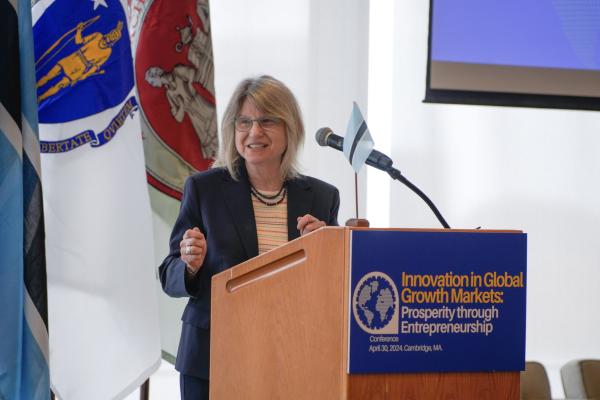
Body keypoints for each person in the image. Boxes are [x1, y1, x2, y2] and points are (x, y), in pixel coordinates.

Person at [158, 75, 340, 400]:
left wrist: (327, 250)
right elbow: (169, 274)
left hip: (290, 354)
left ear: (290, 128)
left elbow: (334, 286)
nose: (254, 132)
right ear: (233, 130)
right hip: (213, 356)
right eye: (244, 122)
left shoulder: (321, 197)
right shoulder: (205, 189)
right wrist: (189, 265)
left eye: (267, 121)